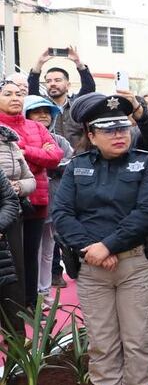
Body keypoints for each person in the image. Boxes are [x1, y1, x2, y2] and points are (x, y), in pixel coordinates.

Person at [51, 93, 148, 385]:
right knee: (102, 345)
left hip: (136, 264)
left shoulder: (147, 164)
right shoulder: (77, 166)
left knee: (137, 342)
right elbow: (62, 214)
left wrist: (108, 245)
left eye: (123, 127)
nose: (119, 135)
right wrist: (92, 249)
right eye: (108, 129)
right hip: (91, 266)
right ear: (91, 132)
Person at [0, 80, 63, 304]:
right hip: (6, 204)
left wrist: (23, 150)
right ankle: (10, 311)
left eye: (18, 94)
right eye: (8, 94)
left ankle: (29, 304)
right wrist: (38, 155)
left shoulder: (35, 126)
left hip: (36, 199)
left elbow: (55, 157)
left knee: (30, 255)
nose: (15, 98)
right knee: (10, 259)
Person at [24, 96, 74, 294]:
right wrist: (46, 158)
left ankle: (44, 291)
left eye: (46, 111)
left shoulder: (59, 140)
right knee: (32, 251)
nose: (43, 115)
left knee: (48, 252)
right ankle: (32, 292)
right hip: (32, 203)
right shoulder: (19, 137)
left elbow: (69, 163)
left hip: (55, 203)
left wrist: (46, 160)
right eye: (37, 111)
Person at [27, 46, 96, 148]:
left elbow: (89, 87)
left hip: (79, 158)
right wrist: (39, 63)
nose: (52, 84)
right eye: (48, 81)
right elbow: (32, 91)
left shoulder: (77, 105)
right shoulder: (42, 107)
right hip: (52, 158)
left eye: (58, 80)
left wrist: (78, 63)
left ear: (68, 85)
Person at [0, 117, 33, 327]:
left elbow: (9, 200)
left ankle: (17, 354)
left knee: (11, 297)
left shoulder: (9, 143)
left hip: (4, 237)